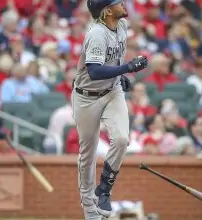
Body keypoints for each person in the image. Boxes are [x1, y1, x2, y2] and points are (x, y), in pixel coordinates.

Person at [72, 0, 148, 219]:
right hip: (86, 97)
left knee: (123, 139)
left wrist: (119, 75)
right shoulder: (97, 33)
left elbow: (111, 61)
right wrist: (126, 68)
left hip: (112, 91)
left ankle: (104, 189)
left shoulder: (122, 26)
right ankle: (89, 209)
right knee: (88, 153)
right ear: (106, 11)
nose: (123, 3)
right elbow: (94, 71)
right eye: (117, 2)